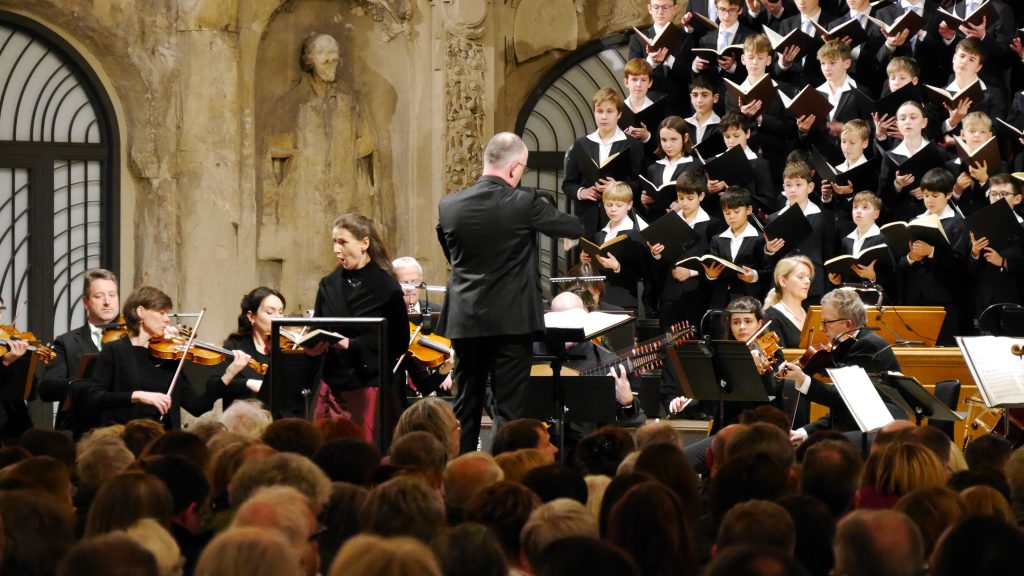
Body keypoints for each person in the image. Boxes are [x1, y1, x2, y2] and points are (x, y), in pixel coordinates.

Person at [437, 132, 583, 454]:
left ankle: (461, 474)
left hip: (465, 319)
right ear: (515, 168)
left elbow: (452, 253)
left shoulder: (449, 205)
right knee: (509, 409)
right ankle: (504, 476)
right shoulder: (524, 203)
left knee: (466, 404)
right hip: (511, 321)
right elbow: (571, 227)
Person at [307, 213, 408, 443]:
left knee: (365, 452)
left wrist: (352, 345)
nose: (336, 249)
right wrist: (313, 344)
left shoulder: (386, 287)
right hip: (332, 385)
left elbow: (398, 341)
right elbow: (318, 326)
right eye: (334, 242)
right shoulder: (329, 284)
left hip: (368, 386)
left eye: (343, 242)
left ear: (364, 244)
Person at [84, 286, 246, 428]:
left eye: (167, 313)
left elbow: (197, 406)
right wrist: (138, 396)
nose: (167, 319)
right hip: (127, 436)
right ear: (140, 312)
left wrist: (229, 374)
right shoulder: (115, 350)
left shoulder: (168, 358)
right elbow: (95, 396)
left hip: (164, 440)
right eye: (161, 313)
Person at [779, 287, 903, 443]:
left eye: (826, 322)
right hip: (858, 431)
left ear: (848, 324)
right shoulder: (851, 344)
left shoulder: (869, 346)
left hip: (881, 437)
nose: (821, 329)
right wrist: (804, 432)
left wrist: (802, 379)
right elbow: (846, 410)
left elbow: (844, 399)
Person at [40, 268, 120, 435]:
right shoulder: (66, 342)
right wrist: (82, 384)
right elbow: (47, 388)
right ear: (86, 302)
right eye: (99, 296)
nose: (107, 302)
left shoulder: (131, 338)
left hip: (120, 428)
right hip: (79, 429)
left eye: (112, 295)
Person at [207, 287, 286, 408]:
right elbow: (213, 386)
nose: (278, 318)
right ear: (251, 316)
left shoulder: (285, 347)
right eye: (270, 312)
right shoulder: (235, 345)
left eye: (281, 312)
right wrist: (247, 383)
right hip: (242, 419)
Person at [762, 255, 814, 348]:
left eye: (808, 277)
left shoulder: (811, 313)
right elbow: (777, 358)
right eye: (801, 276)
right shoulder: (770, 317)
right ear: (783, 281)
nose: (807, 281)